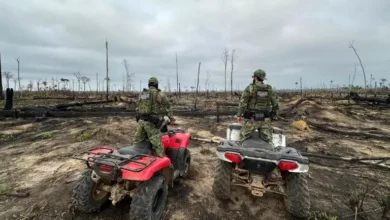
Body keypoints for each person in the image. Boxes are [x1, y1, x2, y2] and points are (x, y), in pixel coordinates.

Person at [236, 69, 279, 149]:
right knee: (268, 141)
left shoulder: (250, 88)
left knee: (243, 138)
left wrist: (239, 115)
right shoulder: (269, 89)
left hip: (252, 119)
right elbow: (275, 104)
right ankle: (270, 156)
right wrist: (273, 115)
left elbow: (243, 103)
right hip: (265, 120)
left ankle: (242, 158)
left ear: (255, 78)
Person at [134, 77, 175, 157]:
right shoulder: (159, 94)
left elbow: (137, 107)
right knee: (158, 146)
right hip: (151, 123)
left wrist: (138, 118)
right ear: (156, 85)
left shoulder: (142, 94)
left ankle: (136, 161)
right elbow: (168, 106)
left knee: (138, 143)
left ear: (149, 85)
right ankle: (163, 165)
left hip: (141, 122)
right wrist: (171, 119)